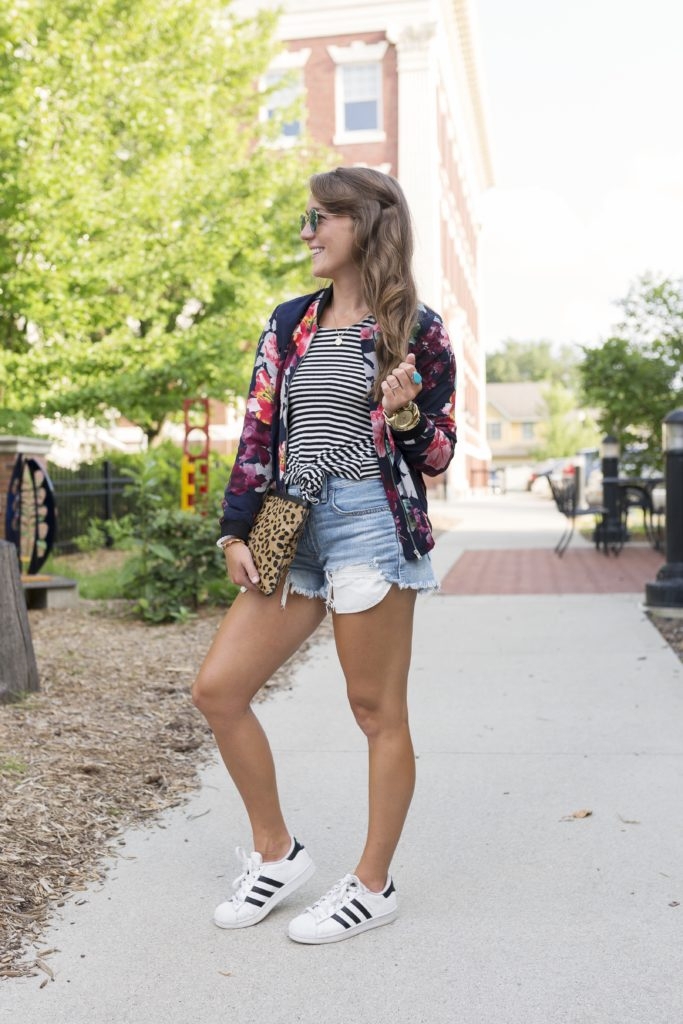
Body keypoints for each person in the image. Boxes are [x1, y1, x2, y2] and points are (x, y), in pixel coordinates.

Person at [192, 166, 456, 945]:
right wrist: (238, 530)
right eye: (306, 219)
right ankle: (277, 854)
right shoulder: (289, 323)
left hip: (368, 521)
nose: (307, 233)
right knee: (218, 690)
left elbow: (437, 456)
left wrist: (406, 416)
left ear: (366, 224)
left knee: (375, 712)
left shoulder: (418, 330)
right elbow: (257, 431)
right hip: (287, 518)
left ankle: (372, 885)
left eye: (320, 219)